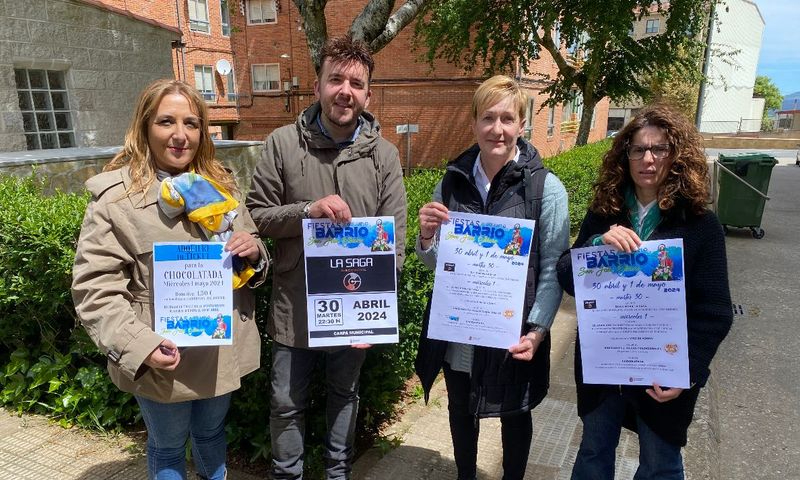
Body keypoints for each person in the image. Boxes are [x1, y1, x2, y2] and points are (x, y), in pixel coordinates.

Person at [71, 79, 269, 480]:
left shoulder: (221, 185)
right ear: (145, 127)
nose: (181, 135)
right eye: (166, 122)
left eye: (191, 123)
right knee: (167, 448)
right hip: (164, 359)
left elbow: (252, 253)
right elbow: (95, 289)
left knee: (213, 434)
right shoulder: (116, 201)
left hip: (219, 351)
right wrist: (140, 345)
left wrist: (254, 252)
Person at [246, 35, 407, 479]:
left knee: (345, 395)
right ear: (317, 85)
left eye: (356, 83)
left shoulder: (385, 156)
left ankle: (339, 475)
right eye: (335, 79)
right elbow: (255, 216)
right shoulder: (281, 144)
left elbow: (394, 242)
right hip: (294, 308)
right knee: (285, 403)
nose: (345, 91)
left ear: (367, 94)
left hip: (353, 309)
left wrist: (373, 313)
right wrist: (307, 212)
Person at [555, 105, 733, 480]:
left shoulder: (700, 224)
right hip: (605, 368)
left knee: (660, 465)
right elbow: (566, 276)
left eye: (660, 149)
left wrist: (688, 371)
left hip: (661, 374)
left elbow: (715, 311)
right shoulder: (605, 213)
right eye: (638, 149)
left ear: (677, 155)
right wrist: (596, 245)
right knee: (593, 455)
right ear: (626, 156)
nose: (648, 159)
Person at [414, 75, 570, 480]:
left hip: (512, 333)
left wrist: (536, 331)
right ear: (474, 124)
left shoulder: (546, 189)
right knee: (460, 413)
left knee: (515, 418)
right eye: (487, 118)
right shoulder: (450, 182)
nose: (496, 129)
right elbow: (438, 266)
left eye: (507, 118)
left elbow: (553, 268)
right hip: (461, 332)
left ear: (521, 124)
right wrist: (427, 238)